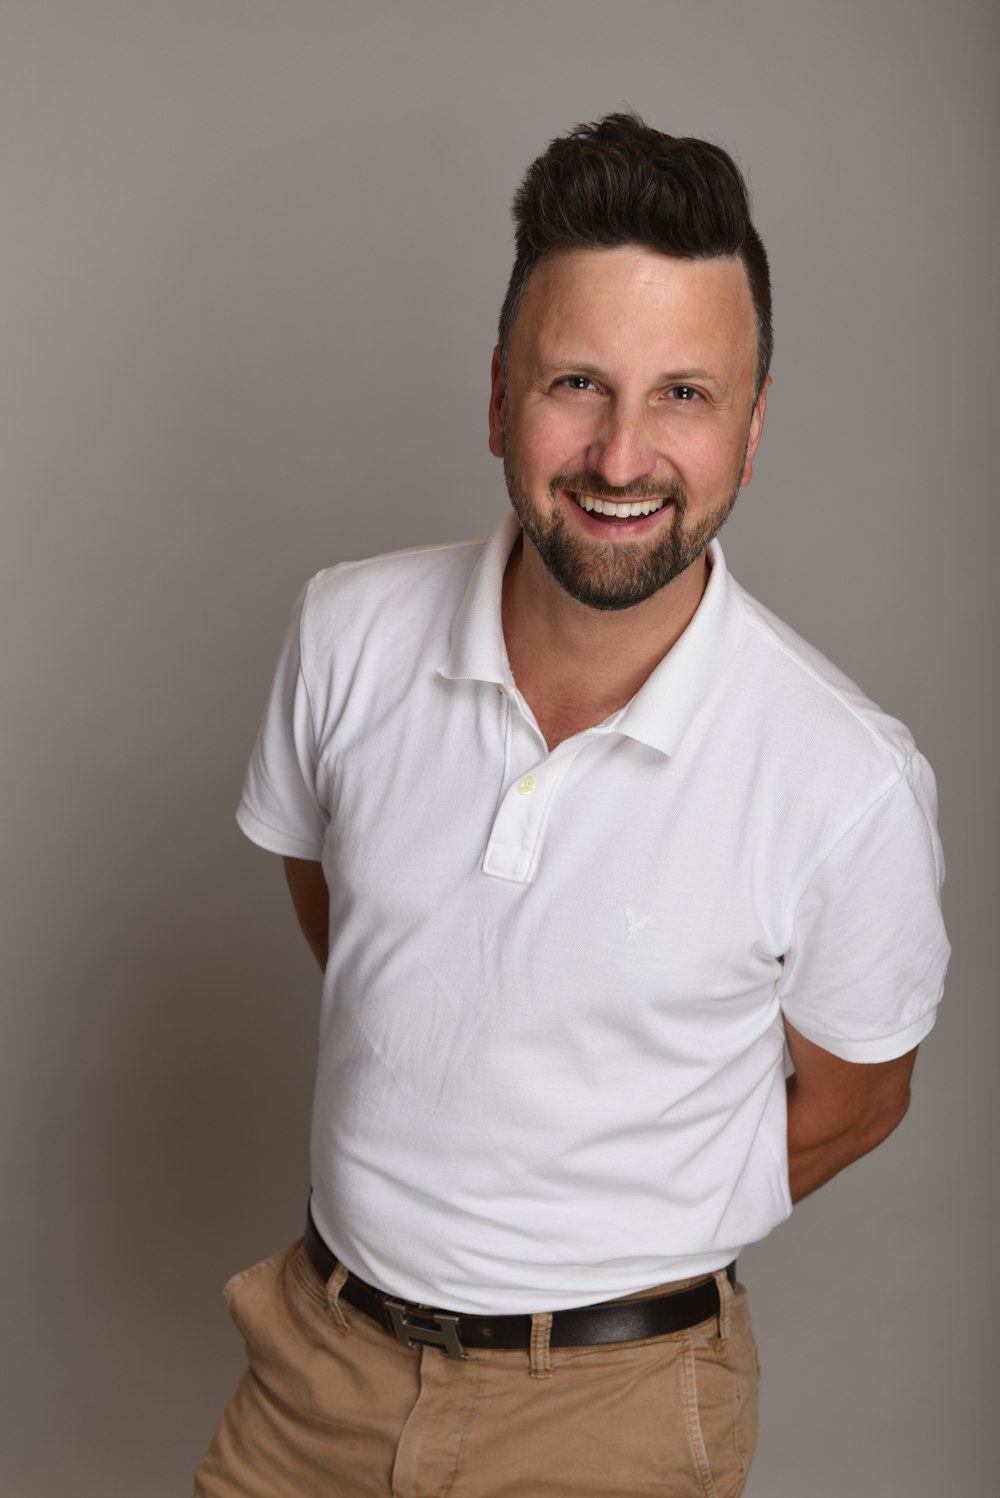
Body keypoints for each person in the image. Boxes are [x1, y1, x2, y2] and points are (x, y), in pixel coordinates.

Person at [194, 113, 949, 1498]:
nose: (619, 455)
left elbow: (855, 1099)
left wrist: (610, 1207)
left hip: (619, 1405)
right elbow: (357, 921)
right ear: (498, 398)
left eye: (685, 394)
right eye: (578, 382)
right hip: (315, 1371)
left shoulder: (845, 779)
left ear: (754, 422)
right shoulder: (347, 632)